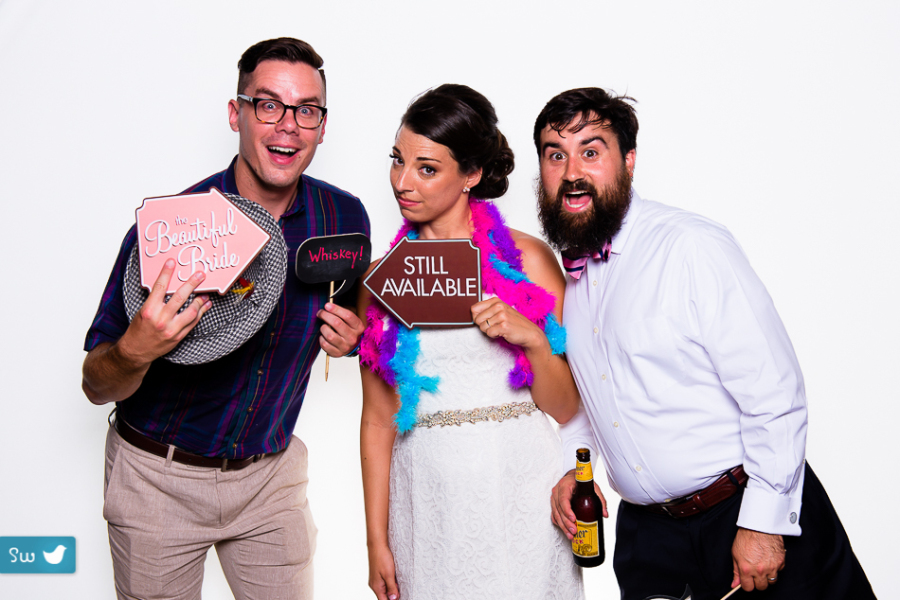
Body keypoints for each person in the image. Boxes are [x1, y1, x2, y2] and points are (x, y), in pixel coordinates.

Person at [538, 88, 875, 599]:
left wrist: (764, 522)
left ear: (628, 160)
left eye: (591, 151)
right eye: (555, 155)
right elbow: (596, 398)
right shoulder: (574, 276)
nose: (571, 172)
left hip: (743, 511)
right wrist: (572, 467)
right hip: (650, 541)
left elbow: (775, 392)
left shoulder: (690, 247)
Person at [81, 38, 370, 600]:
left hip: (271, 478)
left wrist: (355, 339)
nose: (288, 125)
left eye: (306, 109)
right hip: (157, 480)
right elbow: (95, 384)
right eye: (268, 105)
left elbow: (355, 308)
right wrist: (137, 347)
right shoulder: (171, 231)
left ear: (322, 125)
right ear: (236, 114)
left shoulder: (342, 216)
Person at [358, 84, 584, 600]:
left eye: (427, 167)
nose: (402, 182)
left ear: (472, 175)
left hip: (523, 491)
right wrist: (375, 541)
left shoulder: (528, 262)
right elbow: (376, 418)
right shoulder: (383, 280)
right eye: (398, 161)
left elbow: (567, 404)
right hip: (429, 499)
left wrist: (530, 338)